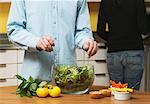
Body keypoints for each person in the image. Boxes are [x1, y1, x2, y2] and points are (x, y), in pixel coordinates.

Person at [7, 0, 98, 81]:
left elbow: (81, 31)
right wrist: (36, 42)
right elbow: (14, 29)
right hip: (34, 83)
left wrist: (86, 41)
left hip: (68, 81)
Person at [97, 0, 149, 90]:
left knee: (117, 92)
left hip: (114, 52)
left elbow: (100, 31)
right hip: (134, 50)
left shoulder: (105, 2)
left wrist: (112, 39)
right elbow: (144, 29)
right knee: (132, 93)